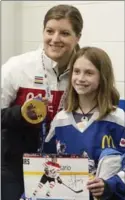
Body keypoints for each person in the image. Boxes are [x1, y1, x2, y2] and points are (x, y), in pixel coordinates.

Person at [1, 4, 83, 200]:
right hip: (16, 165)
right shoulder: (17, 67)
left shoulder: (83, 72)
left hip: (68, 163)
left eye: (64, 33)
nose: (55, 39)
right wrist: (20, 114)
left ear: (78, 37)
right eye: (50, 31)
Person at [45, 46, 125, 200]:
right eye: (76, 71)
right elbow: (46, 162)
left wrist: (109, 184)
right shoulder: (60, 119)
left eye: (89, 73)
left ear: (102, 77)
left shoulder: (118, 119)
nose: (80, 78)